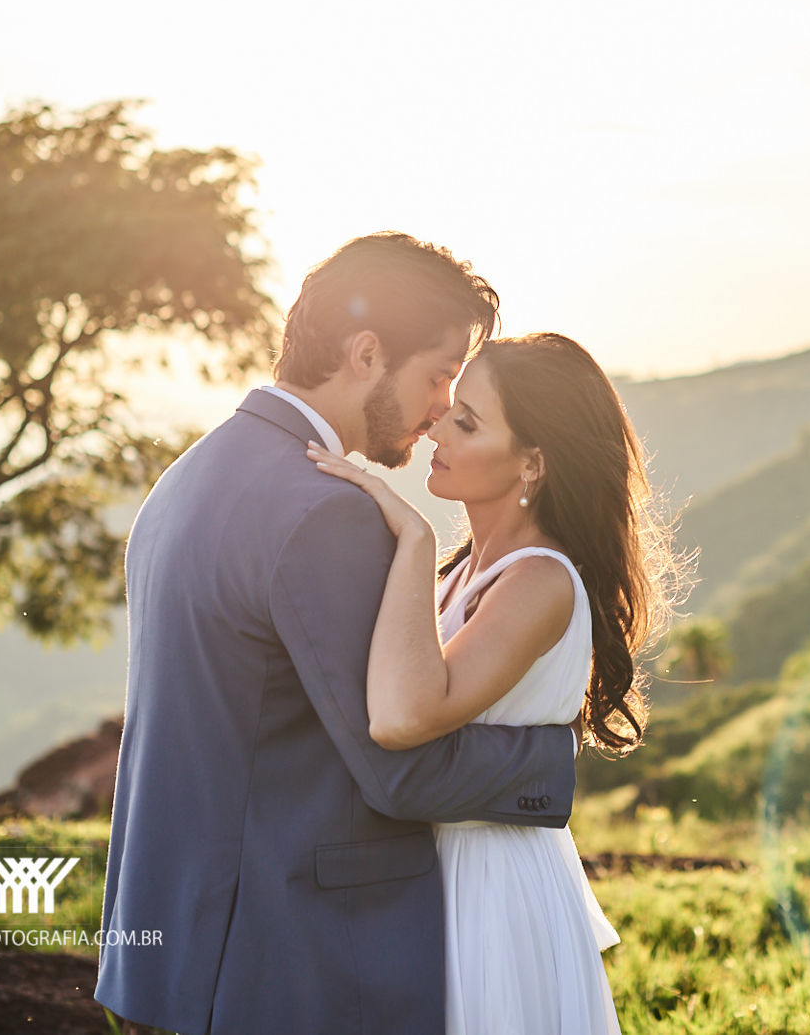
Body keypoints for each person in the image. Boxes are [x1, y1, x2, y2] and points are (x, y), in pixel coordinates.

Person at [96, 234, 579, 1035]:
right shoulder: (326, 514)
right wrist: (551, 757)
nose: (436, 413)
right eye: (436, 377)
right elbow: (401, 770)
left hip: (175, 953)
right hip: (294, 961)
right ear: (365, 353)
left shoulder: (184, 480)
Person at [309, 330, 682, 1035]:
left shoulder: (540, 580)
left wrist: (413, 542)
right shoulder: (463, 574)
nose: (436, 429)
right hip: (431, 872)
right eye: (449, 407)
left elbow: (403, 717)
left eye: (468, 423)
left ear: (532, 465)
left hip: (491, 888)